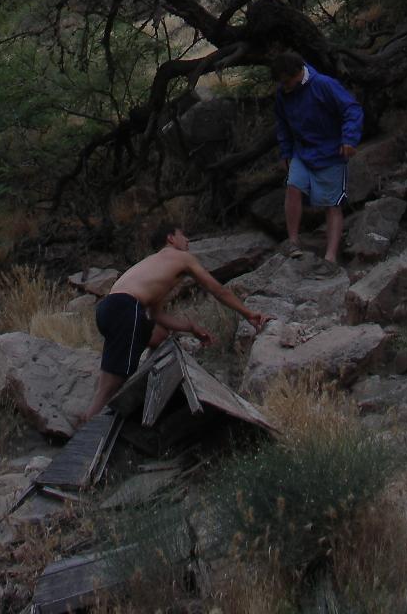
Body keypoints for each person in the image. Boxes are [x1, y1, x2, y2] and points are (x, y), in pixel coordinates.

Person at [83, 225, 268, 421]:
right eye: (183, 235)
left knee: (159, 335)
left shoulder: (154, 266)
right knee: (113, 384)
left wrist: (191, 328)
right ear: (170, 238)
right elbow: (218, 290)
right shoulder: (182, 258)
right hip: (126, 309)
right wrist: (249, 314)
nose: (187, 240)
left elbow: (156, 315)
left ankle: (145, 386)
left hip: (109, 309)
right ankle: (89, 425)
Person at [272, 49, 362, 263]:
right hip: (302, 151)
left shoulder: (324, 85)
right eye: (281, 83)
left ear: (298, 73)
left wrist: (349, 139)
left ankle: (330, 257)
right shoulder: (283, 93)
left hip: (330, 152)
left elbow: (352, 109)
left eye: (287, 82)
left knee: (332, 204)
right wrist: (286, 152)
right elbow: (282, 125)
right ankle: (293, 241)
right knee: (293, 187)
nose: (285, 87)